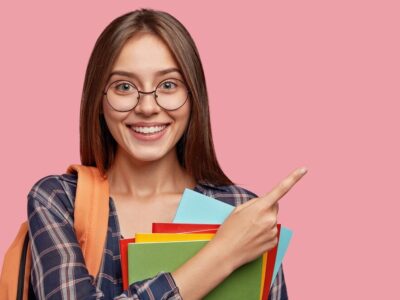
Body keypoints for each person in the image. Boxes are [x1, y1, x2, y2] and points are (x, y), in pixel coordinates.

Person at [27, 8, 306, 300]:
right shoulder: (59, 200)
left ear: (193, 97)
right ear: (99, 100)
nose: (147, 107)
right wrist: (223, 254)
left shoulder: (240, 209)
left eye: (168, 85)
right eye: (124, 86)